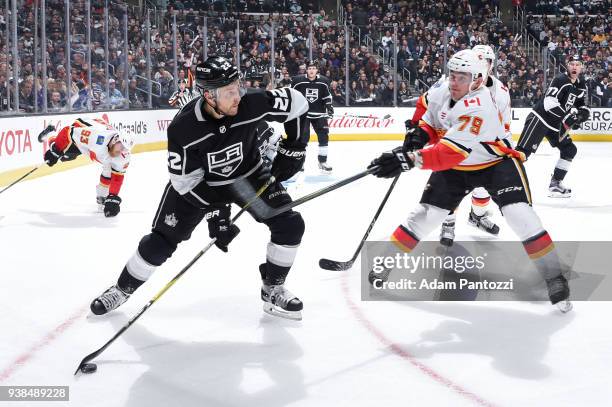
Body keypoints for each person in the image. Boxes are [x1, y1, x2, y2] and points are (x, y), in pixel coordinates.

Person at [90, 56, 310, 320]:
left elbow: (298, 102)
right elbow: (185, 182)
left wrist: (295, 148)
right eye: (229, 92)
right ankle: (122, 289)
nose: (237, 96)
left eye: (237, 87)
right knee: (160, 243)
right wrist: (217, 212)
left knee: (290, 224)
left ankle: (273, 288)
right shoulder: (184, 128)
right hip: (200, 184)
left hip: (247, 178)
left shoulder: (251, 101)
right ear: (208, 95)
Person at [368, 50, 571, 312]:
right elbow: (430, 117)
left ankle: (554, 277)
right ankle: (385, 264)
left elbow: (449, 153)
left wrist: (408, 159)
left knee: (519, 215)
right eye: (452, 75)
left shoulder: (481, 105)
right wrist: (418, 134)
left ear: (476, 80)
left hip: (495, 163)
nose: (454, 82)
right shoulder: (443, 89)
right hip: (457, 167)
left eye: (461, 78)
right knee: (424, 215)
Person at [404, 44, 510, 246]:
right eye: (479, 59)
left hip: (483, 150)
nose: (483, 64)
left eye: (486, 60)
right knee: (448, 189)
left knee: (482, 190)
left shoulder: (501, 91)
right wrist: (415, 129)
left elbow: (503, 125)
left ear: (491, 65)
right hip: (454, 144)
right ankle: (448, 223)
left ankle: (477, 216)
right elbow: (426, 103)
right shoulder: (450, 84)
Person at [516, 55, 590, 197]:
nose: (574, 67)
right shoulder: (560, 80)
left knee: (569, 150)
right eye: (572, 64)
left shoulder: (581, 84)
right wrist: (568, 117)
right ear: (567, 66)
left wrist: (582, 114)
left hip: (556, 125)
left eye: (577, 64)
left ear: (581, 67)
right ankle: (503, 181)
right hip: (540, 119)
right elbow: (549, 103)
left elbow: (581, 104)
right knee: (522, 154)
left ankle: (555, 184)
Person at [41, 118, 134, 217]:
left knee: (108, 167)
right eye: (122, 147)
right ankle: (50, 132)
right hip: (83, 128)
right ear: (115, 140)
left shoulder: (123, 156)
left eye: (125, 149)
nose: (122, 152)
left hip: (98, 140)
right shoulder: (95, 138)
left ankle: (102, 198)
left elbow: (117, 176)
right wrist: (55, 150)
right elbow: (68, 131)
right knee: (65, 156)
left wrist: (112, 197)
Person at [291, 60, 334, 173]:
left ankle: (322, 162)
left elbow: (327, 96)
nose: (311, 70)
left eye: (313, 68)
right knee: (303, 139)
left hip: (319, 114)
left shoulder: (324, 81)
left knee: (324, 137)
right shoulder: (298, 81)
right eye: (309, 68)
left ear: (317, 70)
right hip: (303, 114)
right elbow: (292, 95)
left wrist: (329, 106)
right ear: (306, 70)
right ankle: (300, 163)